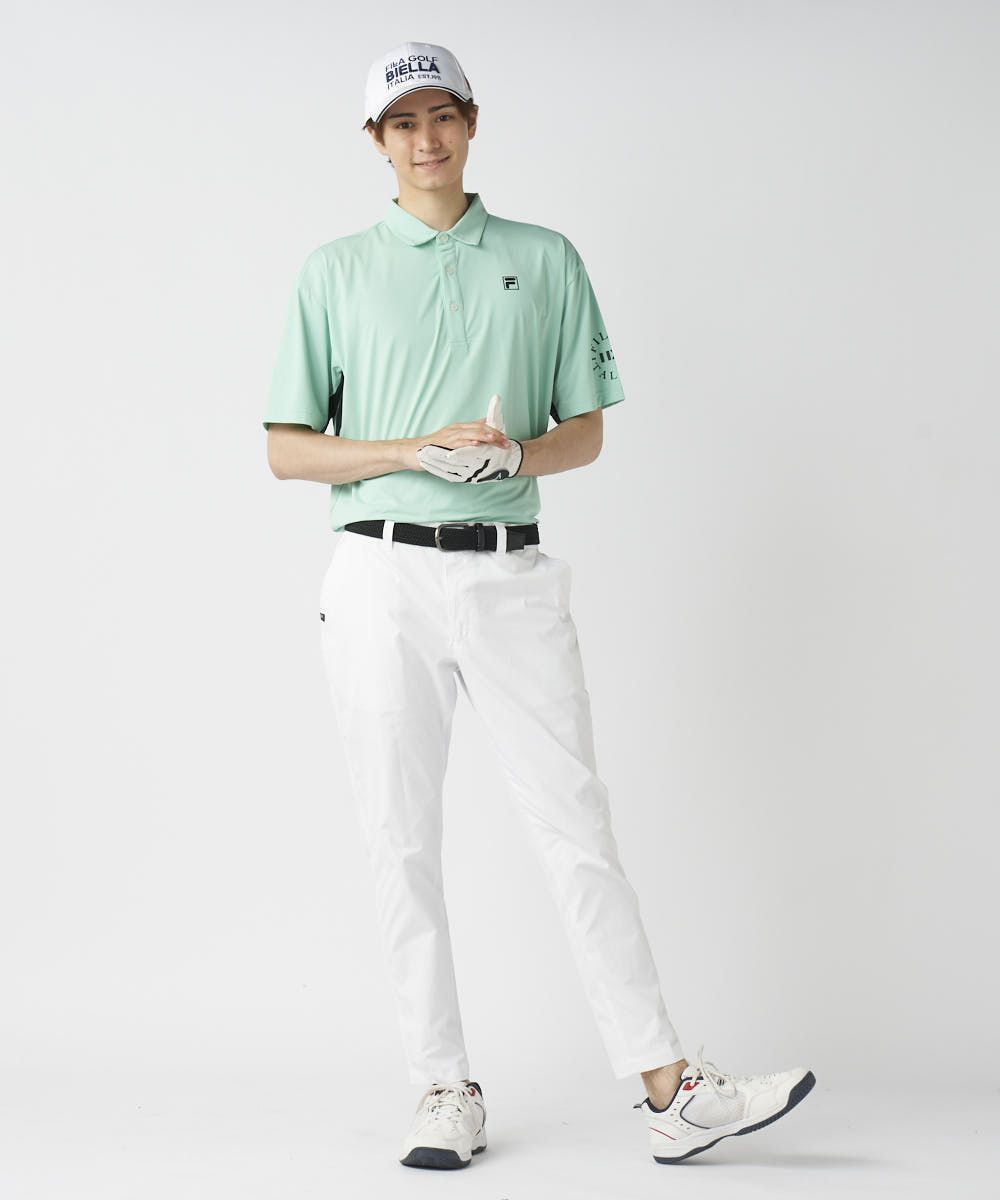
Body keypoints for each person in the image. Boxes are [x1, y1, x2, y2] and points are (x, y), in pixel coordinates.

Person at [263, 40, 815, 1170]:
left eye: (443, 115)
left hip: (508, 573)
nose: (426, 138)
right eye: (403, 122)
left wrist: (513, 451)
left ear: (472, 123)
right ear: (375, 140)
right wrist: (410, 450)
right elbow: (287, 448)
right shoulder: (333, 272)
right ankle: (442, 1088)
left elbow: (586, 430)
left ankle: (668, 1089)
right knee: (399, 838)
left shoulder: (544, 258)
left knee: (576, 826)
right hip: (379, 576)